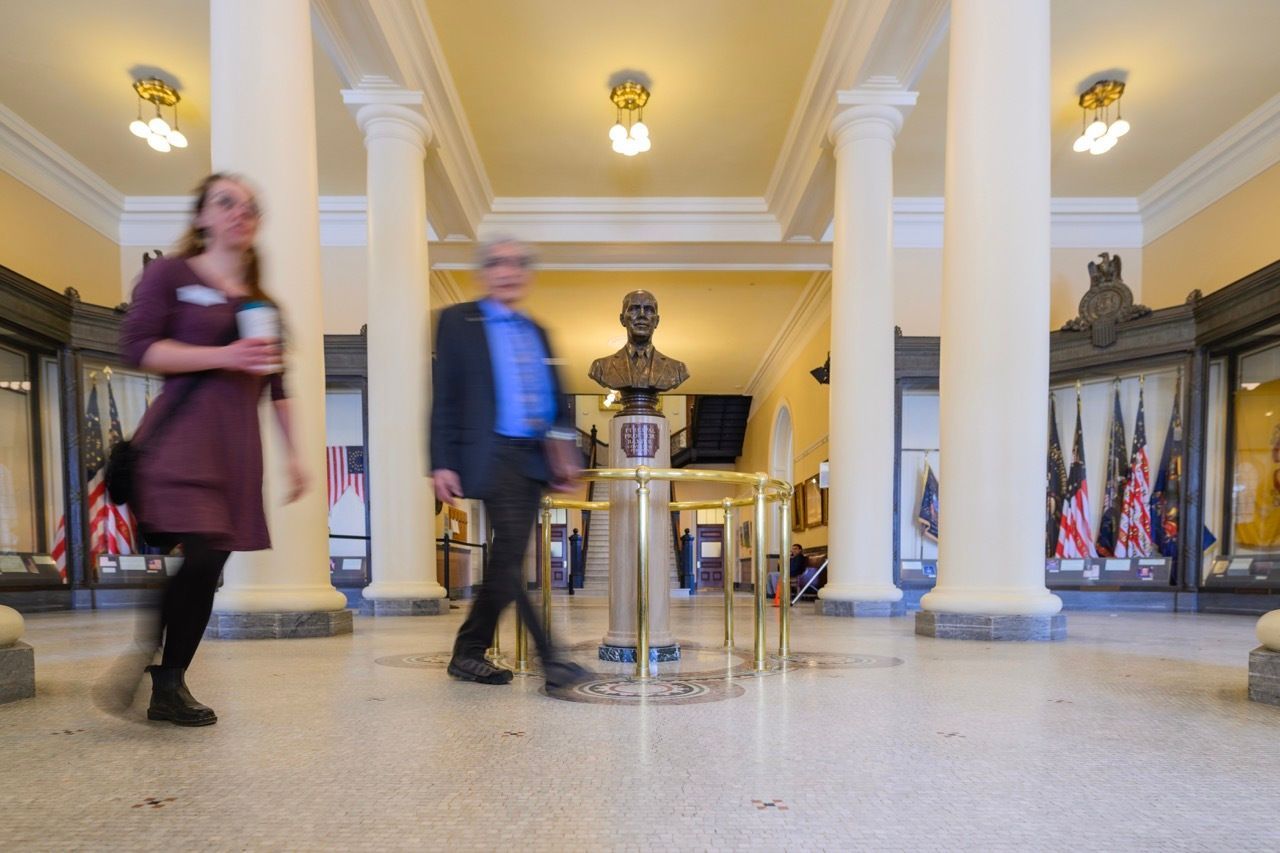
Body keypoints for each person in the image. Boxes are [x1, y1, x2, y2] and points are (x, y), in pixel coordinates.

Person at [98, 173, 304, 726]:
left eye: (249, 206)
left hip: (235, 451)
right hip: (180, 440)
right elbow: (139, 348)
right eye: (225, 202)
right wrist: (223, 356)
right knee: (203, 550)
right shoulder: (171, 274)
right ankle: (162, 669)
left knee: (209, 561)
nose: (240, 212)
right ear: (202, 217)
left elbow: (277, 384)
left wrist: (296, 456)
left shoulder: (262, 304)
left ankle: (167, 678)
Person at [431, 237, 590, 689]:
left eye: (518, 263)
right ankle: (550, 658)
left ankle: (468, 651)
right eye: (498, 263)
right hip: (491, 451)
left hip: (532, 458)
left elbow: (556, 401)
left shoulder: (537, 331)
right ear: (484, 272)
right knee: (510, 556)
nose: (508, 271)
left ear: (527, 274)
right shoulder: (458, 322)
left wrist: (564, 454)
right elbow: (445, 396)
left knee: (507, 559)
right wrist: (441, 461)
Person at [588, 290, 689, 392]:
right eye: (634, 309)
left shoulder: (677, 369)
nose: (642, 315)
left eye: (649, 310)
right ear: (622, 319)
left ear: (657, 321)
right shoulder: (600, 367)